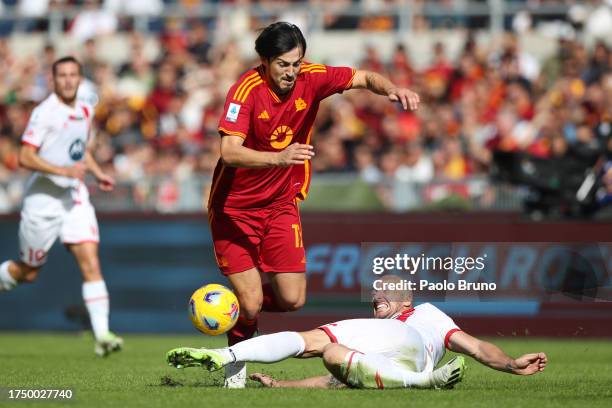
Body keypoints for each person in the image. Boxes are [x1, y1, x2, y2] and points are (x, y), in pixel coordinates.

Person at [208, 21, 420, 388]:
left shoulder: (313, 77)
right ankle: (235, 371)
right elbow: (228, 152)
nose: (292, 72)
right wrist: (277, 158)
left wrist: (392, 89)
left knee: (293, 299)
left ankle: (240, 306)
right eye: (283, 64)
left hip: (279, 203)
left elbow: (364, 77)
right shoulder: (245, 90)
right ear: (264, 60)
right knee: (253, 303)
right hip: (234, 209)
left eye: (296, 63)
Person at [167, 275, 547, 389]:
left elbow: (476, 347)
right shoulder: (376, 332)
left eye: (388, 288)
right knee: (335, 359)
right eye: (374, 291)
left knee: (317, 339)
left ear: (407, 297)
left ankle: (225, 355)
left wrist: (512, 364)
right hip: (398, 366)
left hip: (409, 345)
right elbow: (337, 383)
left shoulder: (425, 315)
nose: (377, 294)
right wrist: (282, 387)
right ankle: (424, 381)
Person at [0, 56, 123, 357]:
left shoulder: (85, 109)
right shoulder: (45, 113)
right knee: (28, 273)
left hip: (73, 197)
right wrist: (63, 171)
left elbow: (80, 150)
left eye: (73, 75)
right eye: (62, 75)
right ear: (53, 80)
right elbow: (26, 157)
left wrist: (97, 172)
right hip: (43, 200)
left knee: (90, 261)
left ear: (80, 78)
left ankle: (103, 334)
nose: (68, 80)